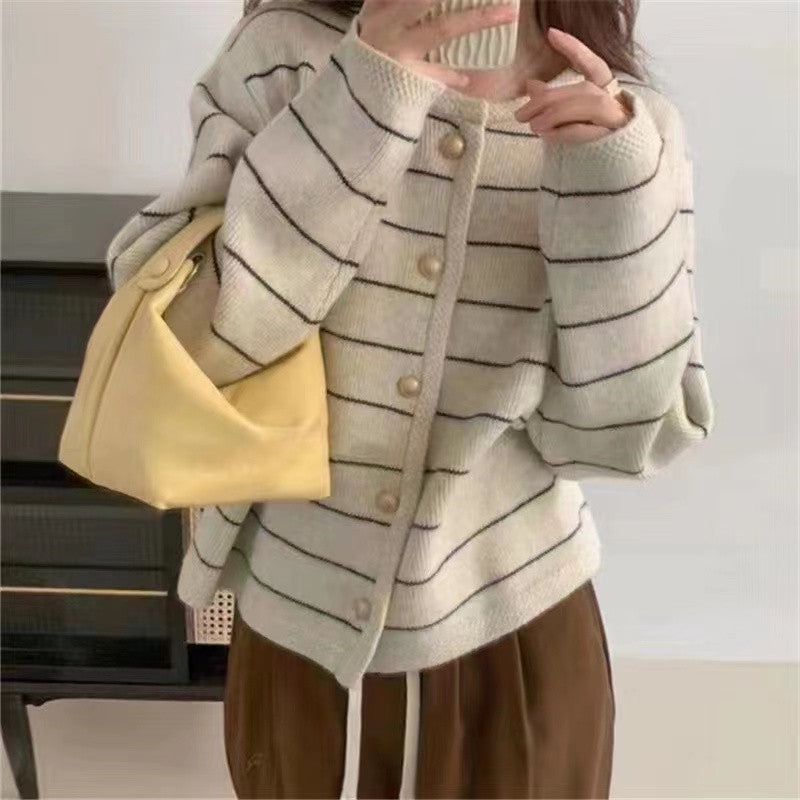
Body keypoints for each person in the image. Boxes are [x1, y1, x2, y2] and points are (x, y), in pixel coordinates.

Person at [105, 0, 715, 797]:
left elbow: (617, 439)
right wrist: (360, 99)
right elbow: (197, 348)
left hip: (518, 648)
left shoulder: (627, 128)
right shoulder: (283, 57)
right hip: (296, 643)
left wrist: (612, 195)